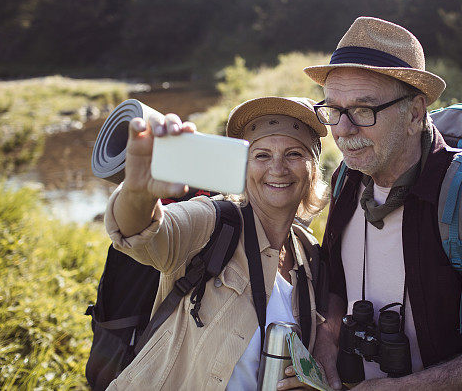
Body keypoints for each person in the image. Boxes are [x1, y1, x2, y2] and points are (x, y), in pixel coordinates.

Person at [301, 17, 462, 390]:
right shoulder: (347, 181)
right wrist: (328, 337)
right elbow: (337, 281)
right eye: (333, 109)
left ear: (415, 113)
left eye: (364, 111)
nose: (343, 130)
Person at [102, 96, 329, 390]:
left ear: (313, 170)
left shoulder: (309, 253)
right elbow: (140, 234)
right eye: (261, 155)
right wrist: (138, 193)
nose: (278, 168)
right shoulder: (212, 221)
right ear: (243, 170)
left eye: (294, 154)